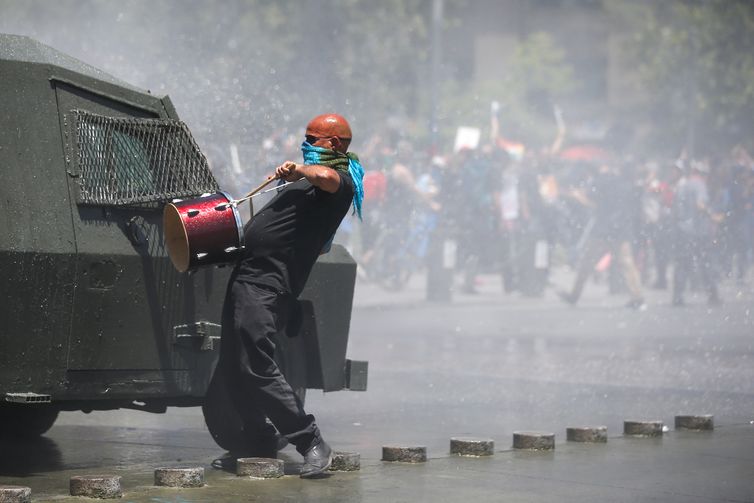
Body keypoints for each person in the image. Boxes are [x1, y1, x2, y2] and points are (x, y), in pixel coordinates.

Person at [211, 113, 364, 478]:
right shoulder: (307, 182)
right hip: (246, 278)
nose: (307, 143)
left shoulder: (338, 181)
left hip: (268, 285)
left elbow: (325, 177)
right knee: (234, 366)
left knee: (258, 367)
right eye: (305, 137)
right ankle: (259, 439)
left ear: (337, 145)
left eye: (316, 139)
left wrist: (299, 169)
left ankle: (311, 442)